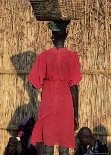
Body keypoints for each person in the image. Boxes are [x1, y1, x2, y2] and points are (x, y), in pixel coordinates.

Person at [27, 20, 82, 155]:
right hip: (65, 103)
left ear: (52, 36)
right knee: (64, 144)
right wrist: (75, 113)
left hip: (48, 102)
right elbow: (74, 87)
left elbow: (34, 83)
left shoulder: (44, 56)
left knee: (48, 144)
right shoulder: (72, 57)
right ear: (66, 35)